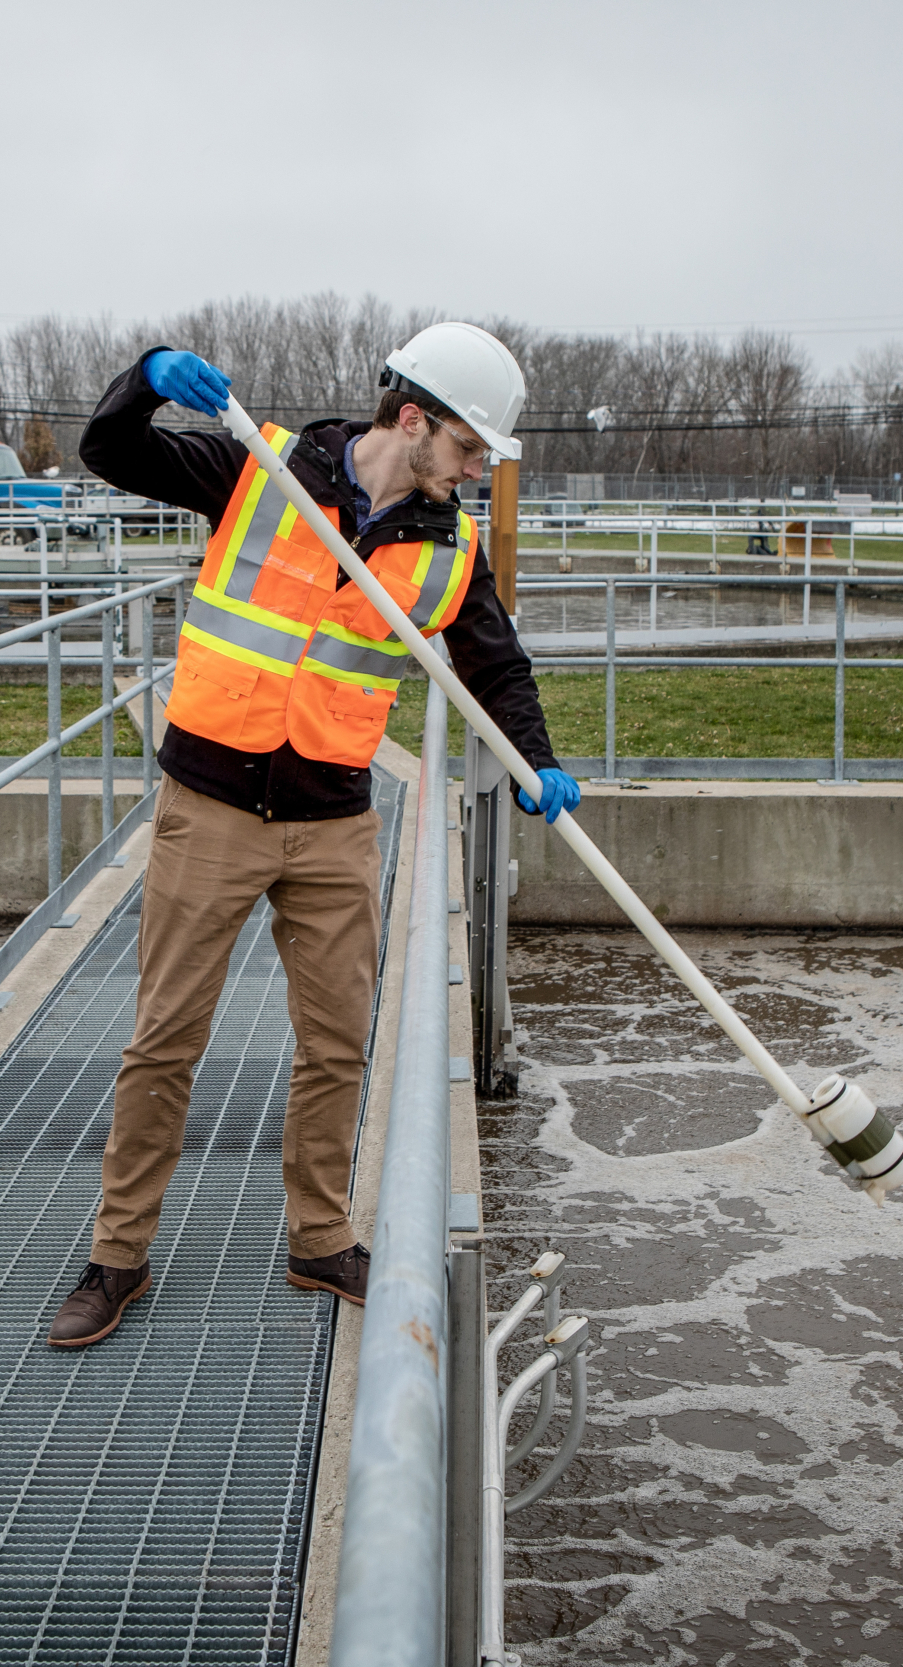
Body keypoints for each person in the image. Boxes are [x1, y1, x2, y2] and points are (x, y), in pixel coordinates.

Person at [47, 322, 581, 1348]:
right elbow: (109, 451)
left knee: (338, 1047)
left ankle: (319, 1237)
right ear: (413, 418)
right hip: (207, 808)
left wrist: (534, 759)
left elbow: (496, 667)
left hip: (333, 823)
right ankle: (118, 1253)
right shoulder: (261, 467)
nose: (477, 472)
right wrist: (145, 378)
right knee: (164, 1040)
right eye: (472, 448)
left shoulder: (447, 544)